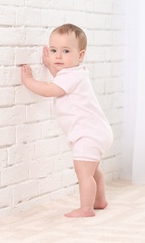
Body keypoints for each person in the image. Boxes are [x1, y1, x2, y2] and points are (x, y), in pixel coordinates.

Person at [20, 23, 113, 218]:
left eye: (65, 51)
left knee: (83, 173)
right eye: (53, 50)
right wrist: (50, 64)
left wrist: (29, 80)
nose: (58, 56)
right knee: (93, 170)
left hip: (88, 134)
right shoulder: (74, 74)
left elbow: (50, 89)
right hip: (96, 132)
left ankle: (86, 209)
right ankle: (99, 200)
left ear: (80, 55)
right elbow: (59, 78)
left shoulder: (71, 77)